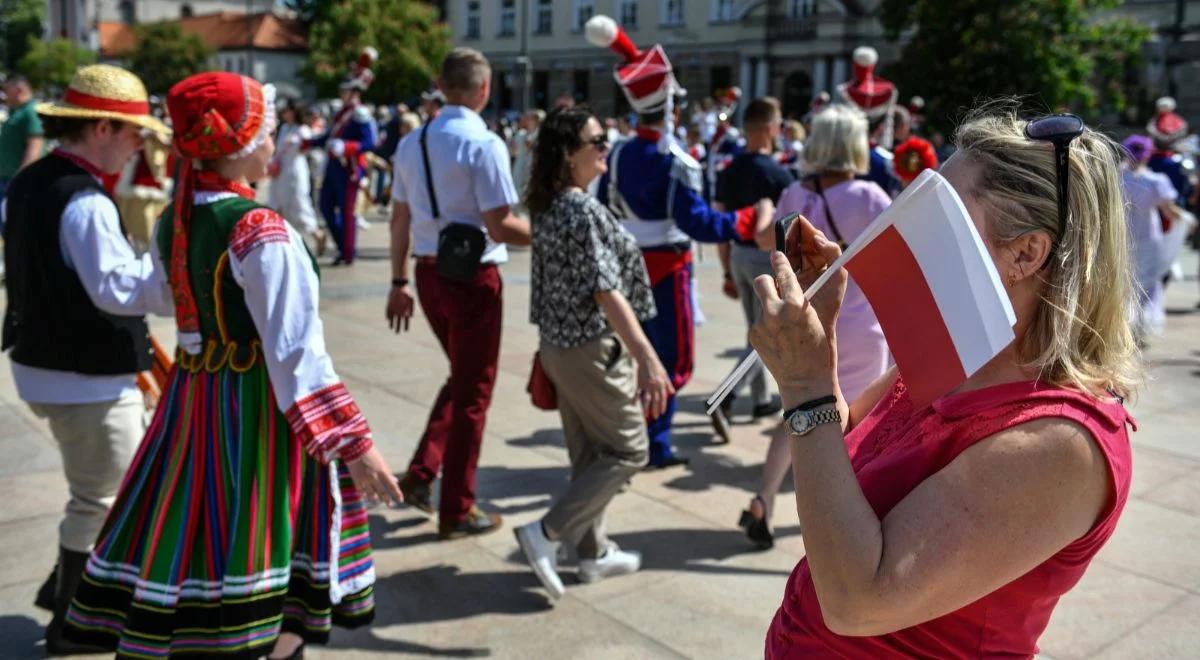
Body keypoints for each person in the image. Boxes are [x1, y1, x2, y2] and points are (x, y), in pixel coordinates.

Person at [758, 108, 1138, 656]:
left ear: (1026, 253)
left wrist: (805, 382)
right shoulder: (964, 354)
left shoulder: (1061, 440)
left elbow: (857, 602)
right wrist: (824, 339)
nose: (907, 224)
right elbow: (836, 453)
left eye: (942, 215)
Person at [63, 71, 402, 660]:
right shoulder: (260, 230)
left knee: (198, 525)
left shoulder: (180, 219)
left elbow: (151, 296)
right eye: (267, 132)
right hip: (255, 410)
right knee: (256, 529)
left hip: (194, 402)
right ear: (243, 145)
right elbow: (296, 354)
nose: (274, 142)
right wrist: (354, 442)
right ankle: (258, 643)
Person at [0, 64, 171, 655]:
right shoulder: (86, 200)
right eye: (133, 134)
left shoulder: (35, 179)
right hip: (81, 378)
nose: (139, 147)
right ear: (102, 128)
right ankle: (75, 624)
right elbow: (118, 291)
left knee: (100, 491)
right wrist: (179, 275)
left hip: (47, 365)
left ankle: (69, 594)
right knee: (101, 497)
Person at [585, 14, 775, 468]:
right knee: (674, 360)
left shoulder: (622, 152)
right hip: (668, 269)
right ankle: (658, 440)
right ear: (668, 103)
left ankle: (645, 431)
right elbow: (700, 224)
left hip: (631, 266)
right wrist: (747, 219)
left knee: (644, 353)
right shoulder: (675, 160)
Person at [514, 105, 671, 599]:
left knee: (590, 457)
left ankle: (593, 554)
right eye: (595, 140)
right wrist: (646, 354)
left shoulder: (551, 204)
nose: (605, 147)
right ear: (567, 154)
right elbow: (606, 290)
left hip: (561, 348)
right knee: (628, 450)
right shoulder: (578, 208)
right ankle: (546, 533)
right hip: (589, 349)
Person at [387, 47, 532, 539]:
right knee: (474, 391)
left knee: (461, 377)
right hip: (473, 279)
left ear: (441, 84)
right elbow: (500, 224)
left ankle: (423, 473)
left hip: (427, 275)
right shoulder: (483, 142)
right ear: (484, 89)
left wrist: (398, 281)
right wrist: (548, 230)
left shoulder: (412, 142)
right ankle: (457, 507)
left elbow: (399, 218)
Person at [736, 104, 891, 548]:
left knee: (801, 410)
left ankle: (763, 496)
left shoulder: (792, 195)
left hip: (808, 322)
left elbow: (772, 246)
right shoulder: (869, 197)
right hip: (860, 322)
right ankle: (841, 516)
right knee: (851, 424)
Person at [709, 97, 794, 443]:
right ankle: (725, 397)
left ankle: (760, 401)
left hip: (738, 256)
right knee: (765, 336)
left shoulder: (728, 170)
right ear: (771, 128)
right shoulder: (778, 174)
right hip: (766, 259)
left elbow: (721, 223)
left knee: (753, 329)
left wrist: (726, 269)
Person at [305, 47, 379, 265]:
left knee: (348, 213)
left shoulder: (360, 113)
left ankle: (348, 253)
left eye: (346, 91)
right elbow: (329, 136)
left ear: (355, 92)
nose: (342, 94)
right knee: (325, 207)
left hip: (349, 167)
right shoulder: (340, 113)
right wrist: (308, 142)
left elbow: (369, 143)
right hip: (333, 167)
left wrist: (346, 147)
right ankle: (341, 246)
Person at [1121, 134, 1177, 340]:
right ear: (1147, 156)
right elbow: (1169, 211)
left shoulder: (1118, 178)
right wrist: (1186, 220)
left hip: (1124, 236)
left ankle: (1126, 323)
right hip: (1149, 237)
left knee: (1126, 281)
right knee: (1149, 282)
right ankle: (1143, 323)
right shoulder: (1155, 181)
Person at [269, 100, 326, 254]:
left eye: (287, 110)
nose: (284, 113)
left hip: (295, 172)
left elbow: (310, 149)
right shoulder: (284, 128)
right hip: (280, 174)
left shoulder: (302, 130)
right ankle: (283, 242)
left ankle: (317, 234)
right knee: (277, 206)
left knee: (299, 205)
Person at [0, 74, 44, 211]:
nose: (4, 95)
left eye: (6, 90)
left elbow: (34, 147)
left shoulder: (31, 112)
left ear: (19, 90)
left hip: (13, 181)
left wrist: (20, 180)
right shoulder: (19, 111)